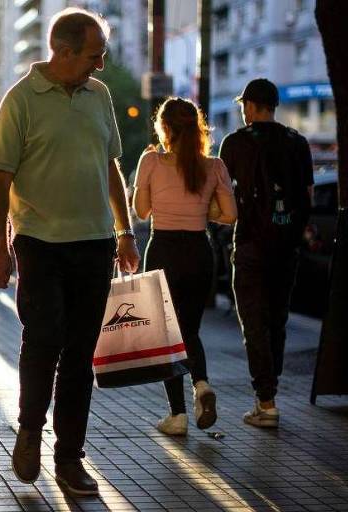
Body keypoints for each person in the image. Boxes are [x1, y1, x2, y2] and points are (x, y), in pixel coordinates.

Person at [0, 8, 140, 497]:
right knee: (44, 337)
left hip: (94, 244)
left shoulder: (100, 95)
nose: (101, 63)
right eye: (95, 54)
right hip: (38, 242)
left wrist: (125, 230)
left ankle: (70, 458)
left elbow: (110, 165)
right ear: (64, 51)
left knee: (80, 355)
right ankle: (31, 428)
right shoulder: (21, 100)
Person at [132, 97, 237, 436]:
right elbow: (230, 215)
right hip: (199, 251)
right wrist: (202, 212)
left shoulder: (151, 160)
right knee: (189, 331)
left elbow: (142, 211)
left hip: (163, 249)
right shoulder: (214, 166)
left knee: (168, 337)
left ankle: (177, 415)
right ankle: (202, 384)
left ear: (165, 128)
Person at [219, 78, 313, 428]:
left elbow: (222, 192)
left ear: (253, 106)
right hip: (287, 247)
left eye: (245, 105)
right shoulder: (297, 143)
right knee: (277, 321)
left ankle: (266, 401)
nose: (243, 111)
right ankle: (268, 394)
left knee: (254, 324)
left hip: (250, 245)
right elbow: (307, 194)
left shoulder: (235, 143)